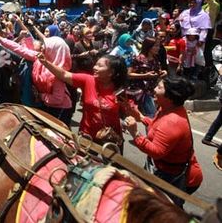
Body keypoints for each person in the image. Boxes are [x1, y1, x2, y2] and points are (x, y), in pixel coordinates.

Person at [123, 76, 203, 208]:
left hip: (174, 176)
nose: (154, 89)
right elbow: (156, 126)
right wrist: (141, 117)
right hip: (162, 169)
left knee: (164, 212)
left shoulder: (172, 121)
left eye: (159, 87)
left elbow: (156, 151)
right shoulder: (166, 109)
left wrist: (135, 133)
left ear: (170, 96)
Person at [0, 28, 73, 125]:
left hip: (59, 110)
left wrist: (40, 95)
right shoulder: (40, 58)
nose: (42, 47)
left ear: (54, 51)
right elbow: (18, 48)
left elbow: (57, 99)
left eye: (46, 46)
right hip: (46, 105)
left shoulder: (58, 73)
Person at [37, 53, 128, 144]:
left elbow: (127, 113)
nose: (94, 67)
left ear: (111, 72)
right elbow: (64, 74)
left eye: (99, 66)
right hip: (87, 135)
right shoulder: (88, 80)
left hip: (110, 138)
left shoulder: (119, 91)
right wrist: (45, 62)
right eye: (95, 64)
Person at [127, 37, 167, 118]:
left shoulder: (155, 58)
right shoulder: (139, 59)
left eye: (158, 46)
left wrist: (163, 72)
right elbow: (129, 74)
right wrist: (145, 76)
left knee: (153, 114)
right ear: (149, 46)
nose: (158, 48)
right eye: (155, 46)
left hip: (153, 90)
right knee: (151, 115)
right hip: (142, 91)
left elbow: (157, 71)